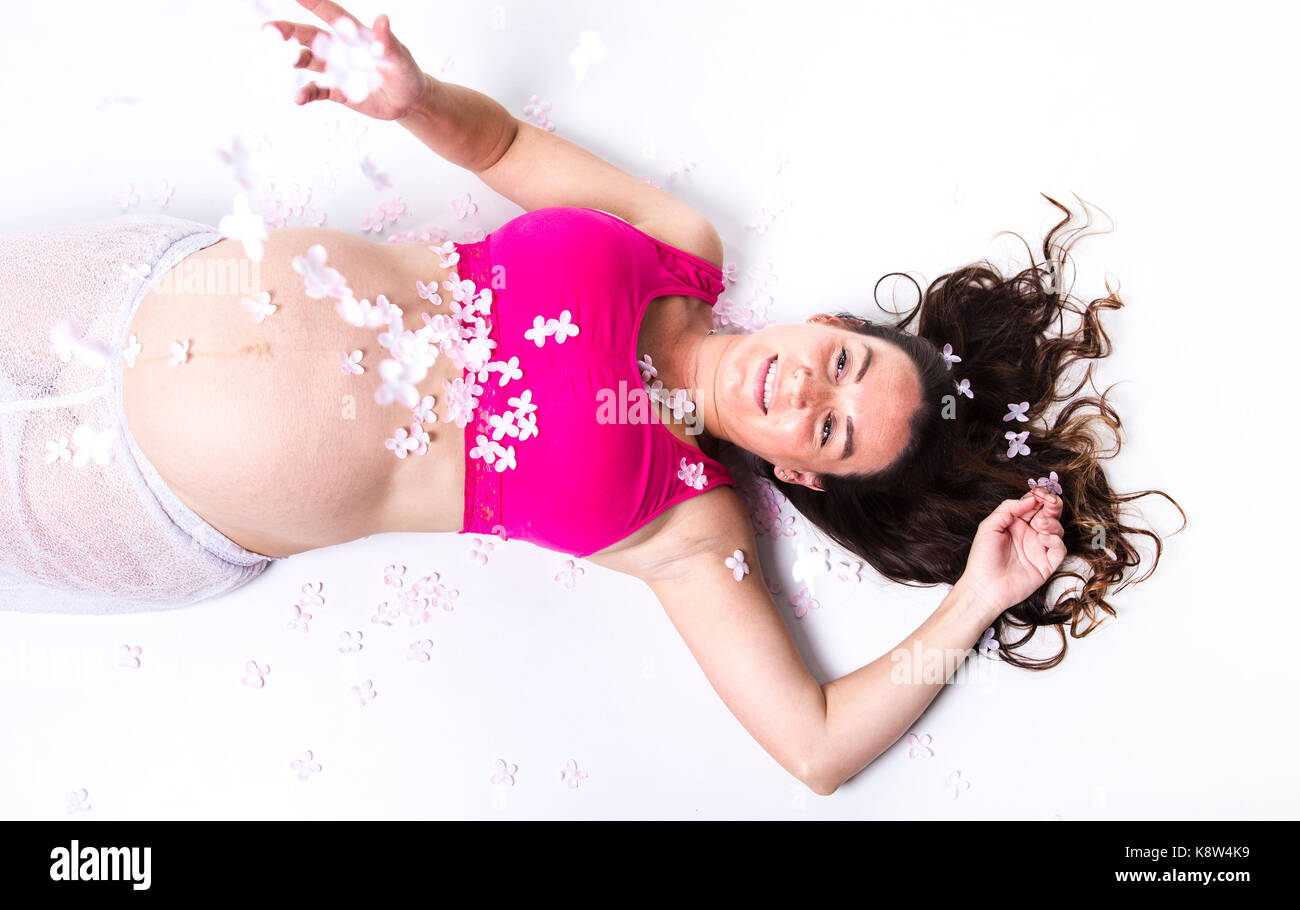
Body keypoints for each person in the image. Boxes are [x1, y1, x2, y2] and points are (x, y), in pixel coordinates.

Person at [0, 0, 1181, 796]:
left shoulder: (689, 526)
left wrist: (975, 600)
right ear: (830, 325)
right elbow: (502, 148)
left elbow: (814, 747)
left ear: (802, 471)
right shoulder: (677, 244)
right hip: (137, 282)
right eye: (845, 364)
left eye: (826, 431)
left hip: (154, 497)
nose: (807, 388)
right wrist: (413, 97)